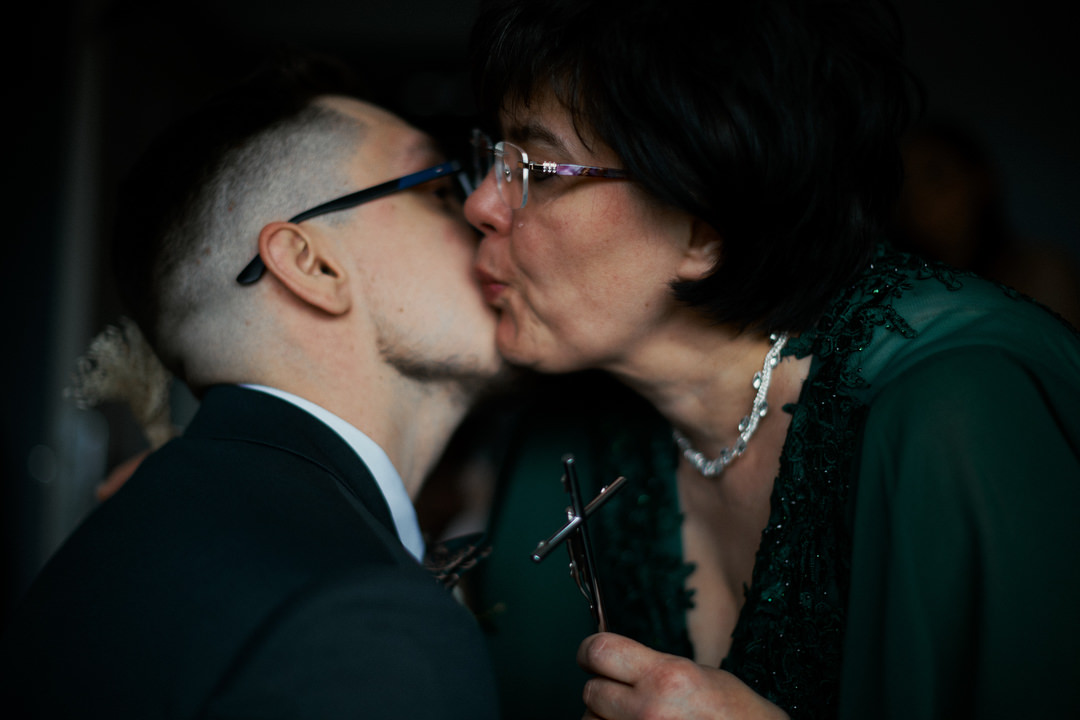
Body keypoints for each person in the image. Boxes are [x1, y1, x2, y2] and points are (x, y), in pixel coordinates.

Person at [462, 0, 1080, 718]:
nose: (480, 203)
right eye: (493, 158)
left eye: (535, 169)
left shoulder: (967, 408)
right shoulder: (572, 427)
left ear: (705, 226)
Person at [0, 54, 504, 719]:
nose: (486, 210)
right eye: (439, 188)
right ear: (313, 266)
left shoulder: (129, 540)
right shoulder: (359, 615)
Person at [893, 119, 1080, 327]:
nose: (920, 198)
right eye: (905, 189)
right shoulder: (902, 292)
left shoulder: (1041, 273)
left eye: (935, 176)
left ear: (979, 179)